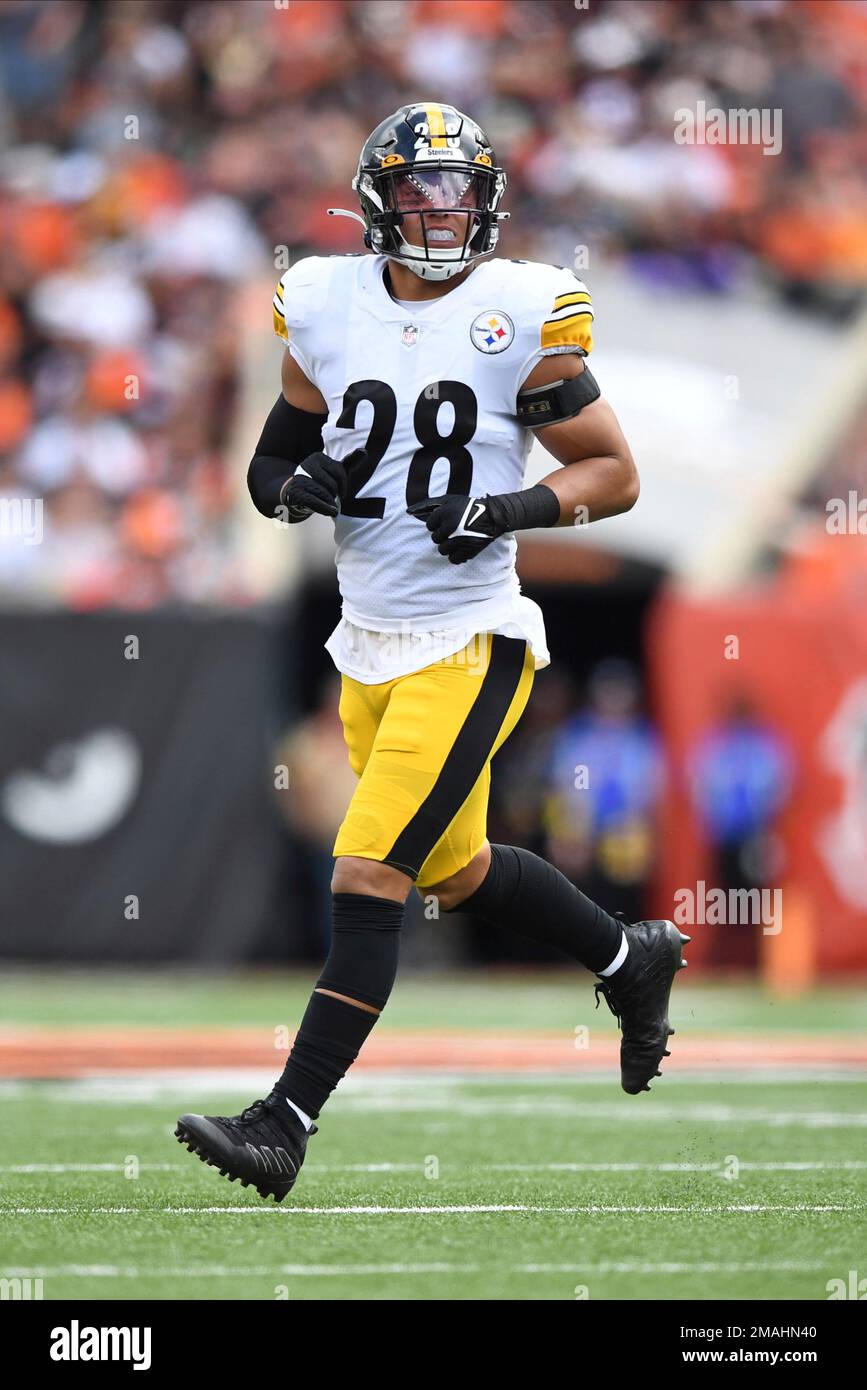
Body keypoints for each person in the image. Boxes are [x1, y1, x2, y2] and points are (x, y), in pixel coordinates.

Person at [176, 103, 689, 1201]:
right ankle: (627, 959)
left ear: (488, 198)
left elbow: (614, 473)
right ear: (378, 202)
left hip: (473, 637)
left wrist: (509, 507)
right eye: (420, 191)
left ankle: (284, 1122)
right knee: (457, 868)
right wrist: (290, 490)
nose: (443, 212)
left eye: (460, 191)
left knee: (368, 871)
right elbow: (273, 462)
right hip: (367, 642)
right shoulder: (322, 302)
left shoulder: (521, 307)